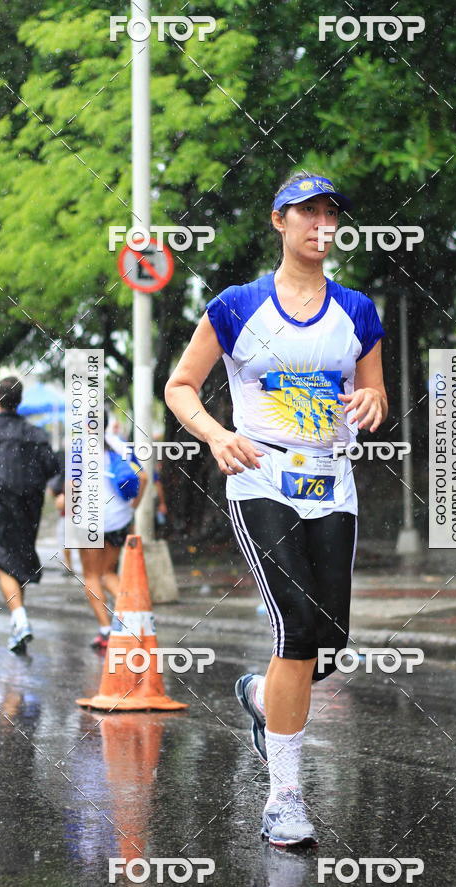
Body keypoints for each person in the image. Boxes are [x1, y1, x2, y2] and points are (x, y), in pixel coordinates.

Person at [165, 172, 387, 847]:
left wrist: (374, 403)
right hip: (261, 479)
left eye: (330, 212)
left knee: (326, 648)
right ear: (279, 222)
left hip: (332, 485)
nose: (321, 221)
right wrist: (216, 434)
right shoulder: (236, 306)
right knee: (293, 627)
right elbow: (180, 386)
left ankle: (264, 700)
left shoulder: (358, 311)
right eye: (307, 210)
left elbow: (373, 390)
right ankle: (285, 798)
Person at [0, 376, 60, 653]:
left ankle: (19, 618)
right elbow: (51, 468)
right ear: (19, 402)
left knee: (1, 559)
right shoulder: (36, 433)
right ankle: (18, 624)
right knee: (17, 556)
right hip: (29, 503)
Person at [78, 409, 147, 650]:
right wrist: (133, 508)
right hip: (119, 518)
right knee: (109, 573)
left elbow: (71, 488)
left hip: (90, 521)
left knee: (91, 575)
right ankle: (130, 619)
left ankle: (106, 629)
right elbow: (145, 477)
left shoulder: (80, 450)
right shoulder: (120, 445)